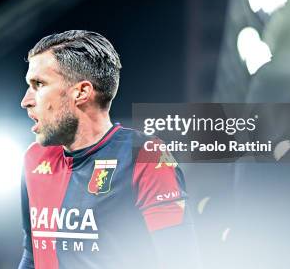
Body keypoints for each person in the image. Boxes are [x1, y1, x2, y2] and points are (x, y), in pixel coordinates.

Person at [18, 30, 200, 269]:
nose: (26, 100)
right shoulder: (35, 158)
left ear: (81, 92)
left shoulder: (145, 155)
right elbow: (32, 256)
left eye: (38, 84)